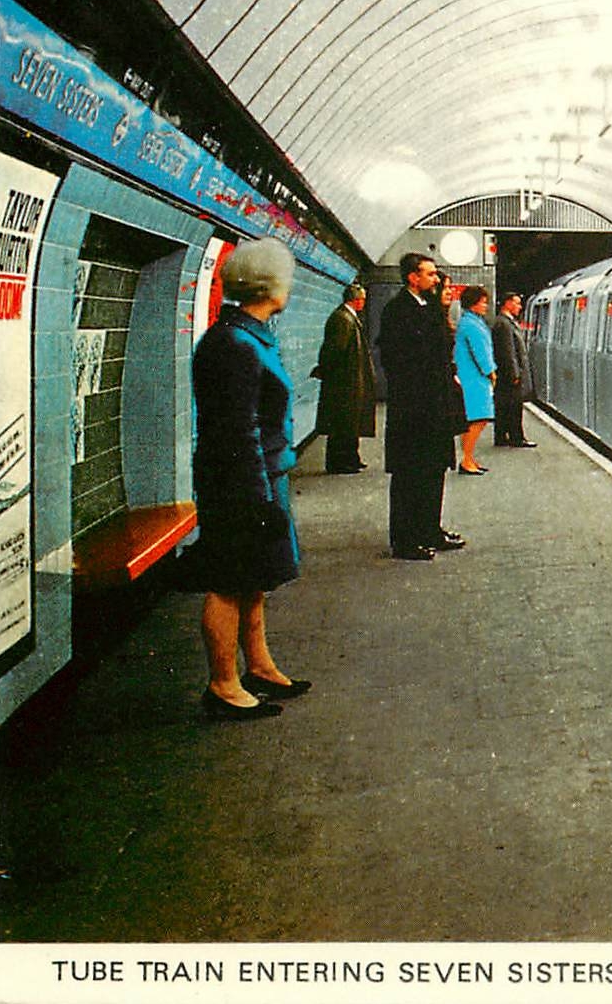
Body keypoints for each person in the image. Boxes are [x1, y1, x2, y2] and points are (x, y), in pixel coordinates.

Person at [190, 238, 308, 720]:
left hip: (258, 475)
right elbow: (238, 431)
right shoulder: (235, 346)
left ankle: (258, 667)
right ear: (270, 285)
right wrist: (258, 498)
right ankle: (223, 683)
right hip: (239, 481)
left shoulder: (247, 336)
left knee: (253, 579)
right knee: (229, 581)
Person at [376, 252, 465, 561]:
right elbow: (397, 361)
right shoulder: (398, 311)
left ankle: (430, 530)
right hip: (414, 410)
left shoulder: (429, 309)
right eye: (430, 274)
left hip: (434, 409)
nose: (436, 279)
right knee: (409, 475)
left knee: (433, 471)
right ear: (413, 277)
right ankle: (405, 540)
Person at [312, 282, 375, 474]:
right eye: (362, 299)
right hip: (344, 382)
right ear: (356, 300)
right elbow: (334, 351)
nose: (364, 303)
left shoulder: (347, 317)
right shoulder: (343, 319)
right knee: (342, 423)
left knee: (350, 422)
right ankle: (340, 462)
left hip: (350, 380)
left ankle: (351, 458)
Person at [453, 285, 496, 475]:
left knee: (473, 420)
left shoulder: (470, 321)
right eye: (483, 302)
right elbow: (481, 352)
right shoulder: (472, 324)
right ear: (473, 303)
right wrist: (491, 372)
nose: (486, 306)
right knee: (478, 419)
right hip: (474, 378)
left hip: (469, 375)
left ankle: (469, 458)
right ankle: (466, 460)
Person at [491, 292, 537, 447]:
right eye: (516, 303)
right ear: (507, 304)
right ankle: (516, 438)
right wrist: (515, 374)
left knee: (506, 405)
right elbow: (508, 351)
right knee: (513, 406)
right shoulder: (504, 324)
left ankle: (504, 436)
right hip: (510, 374)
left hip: (508, 373)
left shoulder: (504, 322)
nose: (520, 307)